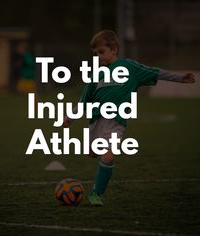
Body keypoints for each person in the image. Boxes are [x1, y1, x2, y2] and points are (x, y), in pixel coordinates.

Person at [63, 30, 195, 206]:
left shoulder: (130, 68)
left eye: (101, 52)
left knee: (108, 156)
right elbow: (84, 101)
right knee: (92, 153)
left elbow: (156, 72)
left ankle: (96, 194)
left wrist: (180, 78)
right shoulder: (97, 75)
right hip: (96, 122)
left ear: (114, 49)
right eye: (96, 54)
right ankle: (95, 155)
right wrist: (70, 117)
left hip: (116, 123)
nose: (99, 57)